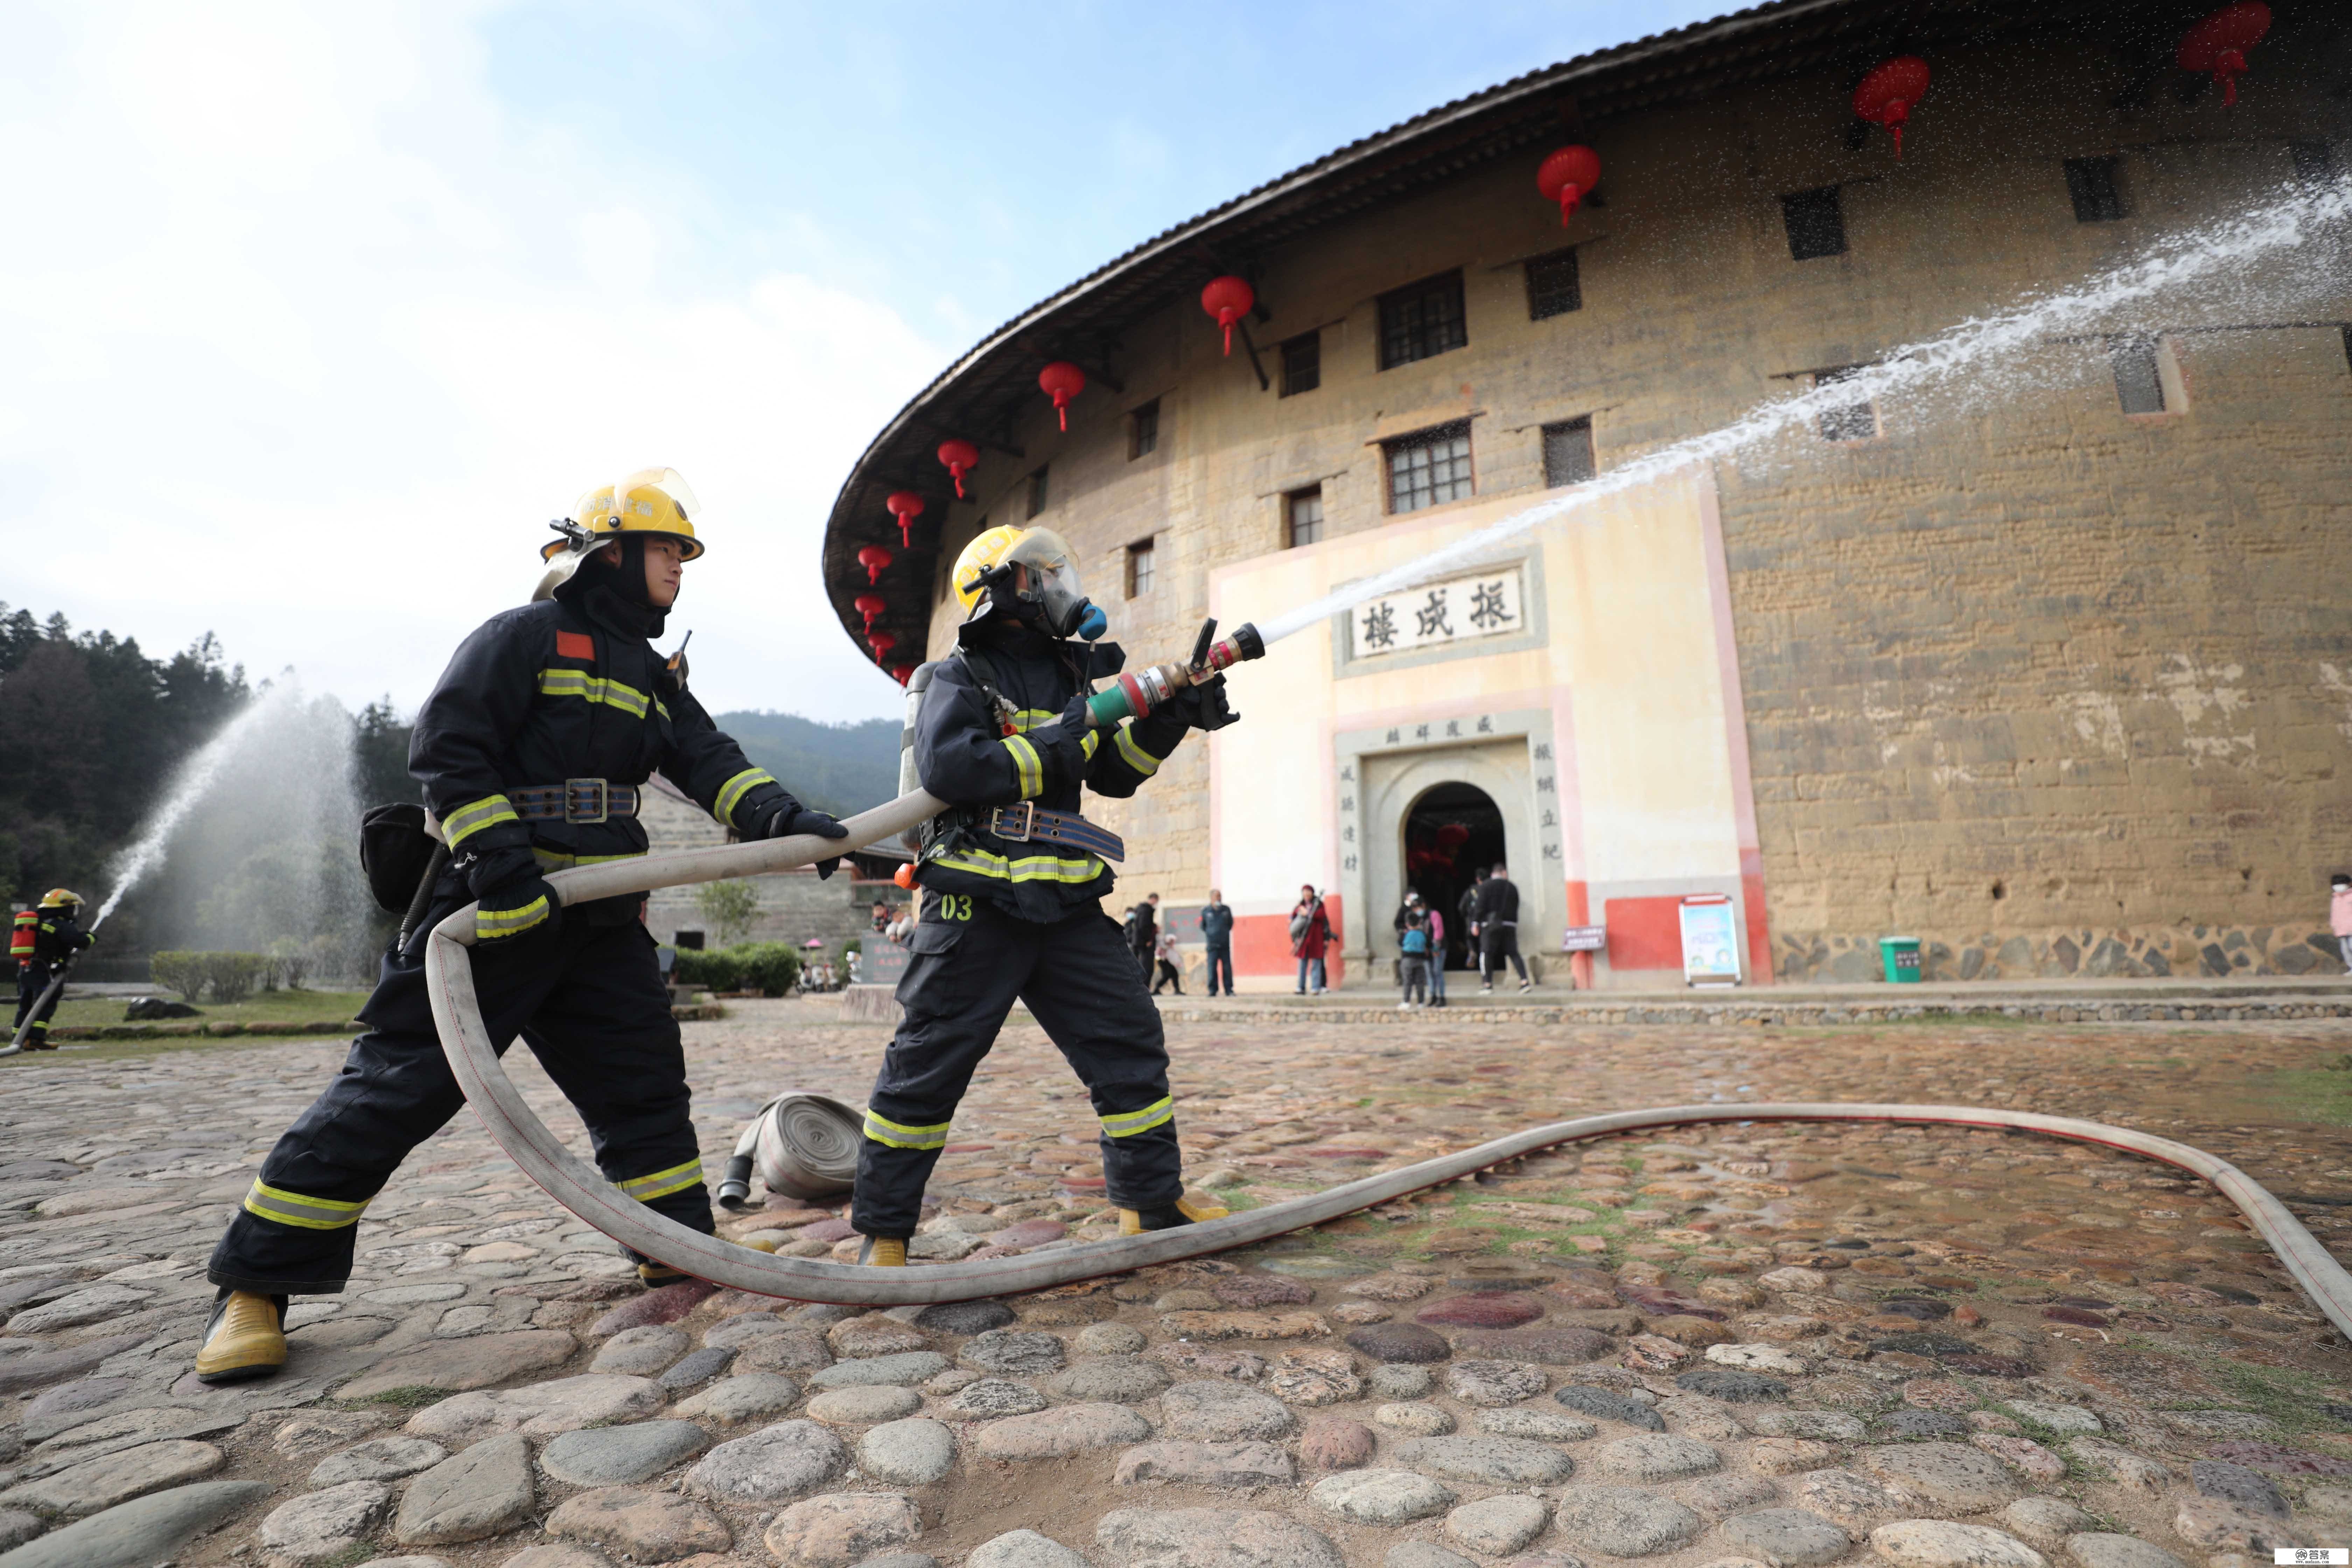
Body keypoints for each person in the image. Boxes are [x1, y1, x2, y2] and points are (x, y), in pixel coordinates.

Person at [193, 469, 848, 1385]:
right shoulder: (522, 638)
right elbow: (448, 749)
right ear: (609, 554)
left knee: (644, 1092)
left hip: (601, 922)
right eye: (667, 550)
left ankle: (673, 1249)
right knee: (393, 1093)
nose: (680, 569)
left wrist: (783, 821)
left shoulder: (654, 678)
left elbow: (708, 762)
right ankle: (254, 1287)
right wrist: (504, 872)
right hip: (488, 911)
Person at [853, 523, 1238, 1265]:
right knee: (928, 1064)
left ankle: (1150, 1200)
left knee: (1129, 1042)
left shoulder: (1070, 680)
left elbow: (1113, 771)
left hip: (1064, 903)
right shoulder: (955, 677)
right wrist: (1072, 727)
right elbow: (955, 771)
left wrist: (1171, 718)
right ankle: (885, 1231)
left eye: (1060, 571)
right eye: (1043, 575)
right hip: (976, 902)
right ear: (1002, 591)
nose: (1060, 586)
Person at [10, 889, 96, 1052]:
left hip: (26, 969)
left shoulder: (38, 922)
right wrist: (92, 937)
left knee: (25, 1004)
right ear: (65, 907)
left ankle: (19, 1038)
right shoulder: (59, 923)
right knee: (46, 1003)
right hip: (45, 970)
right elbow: (80, 941)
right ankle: (36, 1039)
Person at [1474, 860, 1530, 993]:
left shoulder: (1486, 886)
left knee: (1487, 953)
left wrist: (1476, 922)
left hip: (1490, 925)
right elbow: (1516, 905)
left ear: (1493, 873)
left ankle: (1487, 984)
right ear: (1504, 873)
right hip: (1510, 925)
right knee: (1514, 953)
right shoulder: (1512, 887)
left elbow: (1480, 906)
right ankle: (1525, 981)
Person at [1291, 885, 1331, 994]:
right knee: (1302, 963)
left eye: (1308, 892)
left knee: (1317, 963)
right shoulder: (1301, 905)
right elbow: (1293, 916)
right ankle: (1301, 987)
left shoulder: (1318, 904)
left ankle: (1316, 987)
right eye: (1305, 892)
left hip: (1316, 938)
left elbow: (1322, 916)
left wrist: (1309, 913)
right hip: (1303, 938)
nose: (1307, 894)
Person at [1198, 889, 1234, 997]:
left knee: (1227, 968)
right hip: (1212, 945)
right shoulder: (1206, 911)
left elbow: (1230, 924)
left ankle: (1229, 990)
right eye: (1217, 897)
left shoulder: (1226, 910)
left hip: (1224, 945)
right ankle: (1213, 990)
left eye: (1220, 897)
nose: (1219, 899)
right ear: (1212, 898)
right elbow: (1203, 926)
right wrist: (1212, 934)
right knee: (1212, 968)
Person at [1398, 902, 1432, 1009]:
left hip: (1407, 960)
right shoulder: (1423, 934)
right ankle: (1421, 1003)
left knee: (1407, 981)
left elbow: (1400, 943)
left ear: (1408, 924)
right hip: (1420, 960)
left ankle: (1406, 1002)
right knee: (1420, 982)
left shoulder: (1406, 934)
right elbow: (1429, 944)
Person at [1125, 892, 1161, 978]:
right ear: (1153, 899)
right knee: (1146, 965)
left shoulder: (1141, 909)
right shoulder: (1146, 910)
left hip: (1138, 941)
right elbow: (1144, 926)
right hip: (1143, 943)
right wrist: (1148, 939)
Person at [1425, 902, 1449, 1009]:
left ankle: (1441, 996)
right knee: (1429, 973)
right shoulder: (1418, 918)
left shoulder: (1434, 915)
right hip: (1426, 949)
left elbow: (1439, 931)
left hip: (1438, 947)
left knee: (1437, 971)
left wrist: (1436, 946)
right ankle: (1433, 995)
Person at [1152, 927, 1184, 996]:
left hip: (1166, 960)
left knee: (1174, 973)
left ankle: (1177, 989)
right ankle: (1157, 988)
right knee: (1167, 975)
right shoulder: (1159, 939)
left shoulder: (1161, 938)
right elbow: (1162, 947)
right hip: (1162, 960)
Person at [2334, 873, 2352, 974]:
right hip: (2342, 930)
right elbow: (2335, 914)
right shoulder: (2336, 898)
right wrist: (2335, 925)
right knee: (2345, 950)